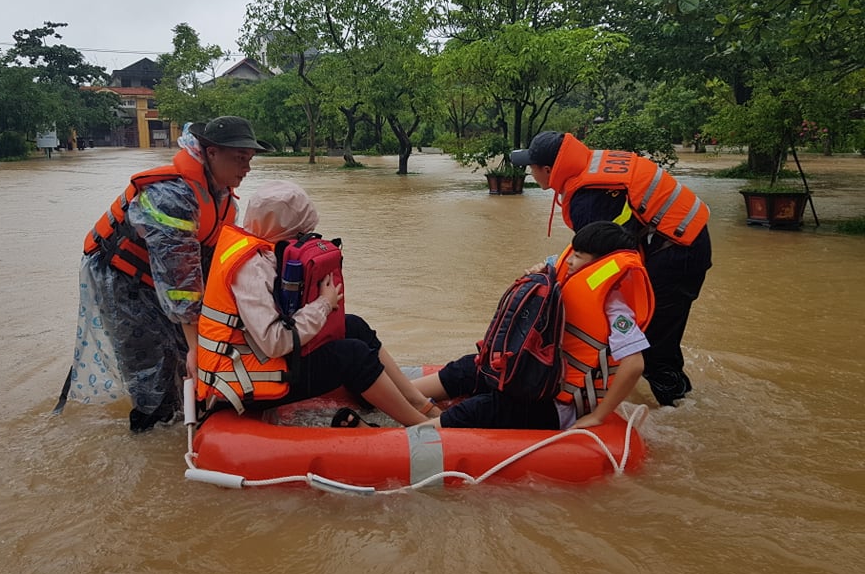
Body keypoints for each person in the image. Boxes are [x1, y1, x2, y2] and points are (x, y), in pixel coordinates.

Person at [56, 116, 271, 432]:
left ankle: (187, 416)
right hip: (123, 279)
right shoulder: (170, 198)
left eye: (249, 160)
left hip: (167, 280)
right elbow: (181, 285)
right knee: (153, 374)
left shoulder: (223, 198)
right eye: (240, 158)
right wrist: (198, 349)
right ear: (211, 153)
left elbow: (211, 267)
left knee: (186, 357)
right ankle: (148, 438)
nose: (247, 169)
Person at [195, 180, 439, 427]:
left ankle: (416, 401)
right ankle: (421, 425)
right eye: (300, 234)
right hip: (243, 380)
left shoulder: (260, 247)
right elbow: (276, 342)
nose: (303, 241)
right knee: (352, 355)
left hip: (251, 359)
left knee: (353, 326)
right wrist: (323, 304)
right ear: (285, 228)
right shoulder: (251, 267)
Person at [510, 131, 712, 406]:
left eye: (531, 167)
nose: (530, 172)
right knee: (654, 335)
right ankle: (673, 398)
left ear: (548, 169)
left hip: (677, 250)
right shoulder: (589, 168)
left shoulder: (588, 197)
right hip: (681, 240)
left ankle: (678, 415)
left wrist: (551, 268)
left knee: (652, 346)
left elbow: (597, 254)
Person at [412, 221, 654, 430]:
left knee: (483, 409)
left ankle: (406, 437)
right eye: (573, 252)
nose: (569, 260)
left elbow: (634, 365)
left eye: (579, 255)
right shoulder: (566, 275)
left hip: (560, 406)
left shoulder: (616, 308)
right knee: (466, 369)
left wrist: (597, 416)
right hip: (539, 381)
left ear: (602, 262)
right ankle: (392, 396)